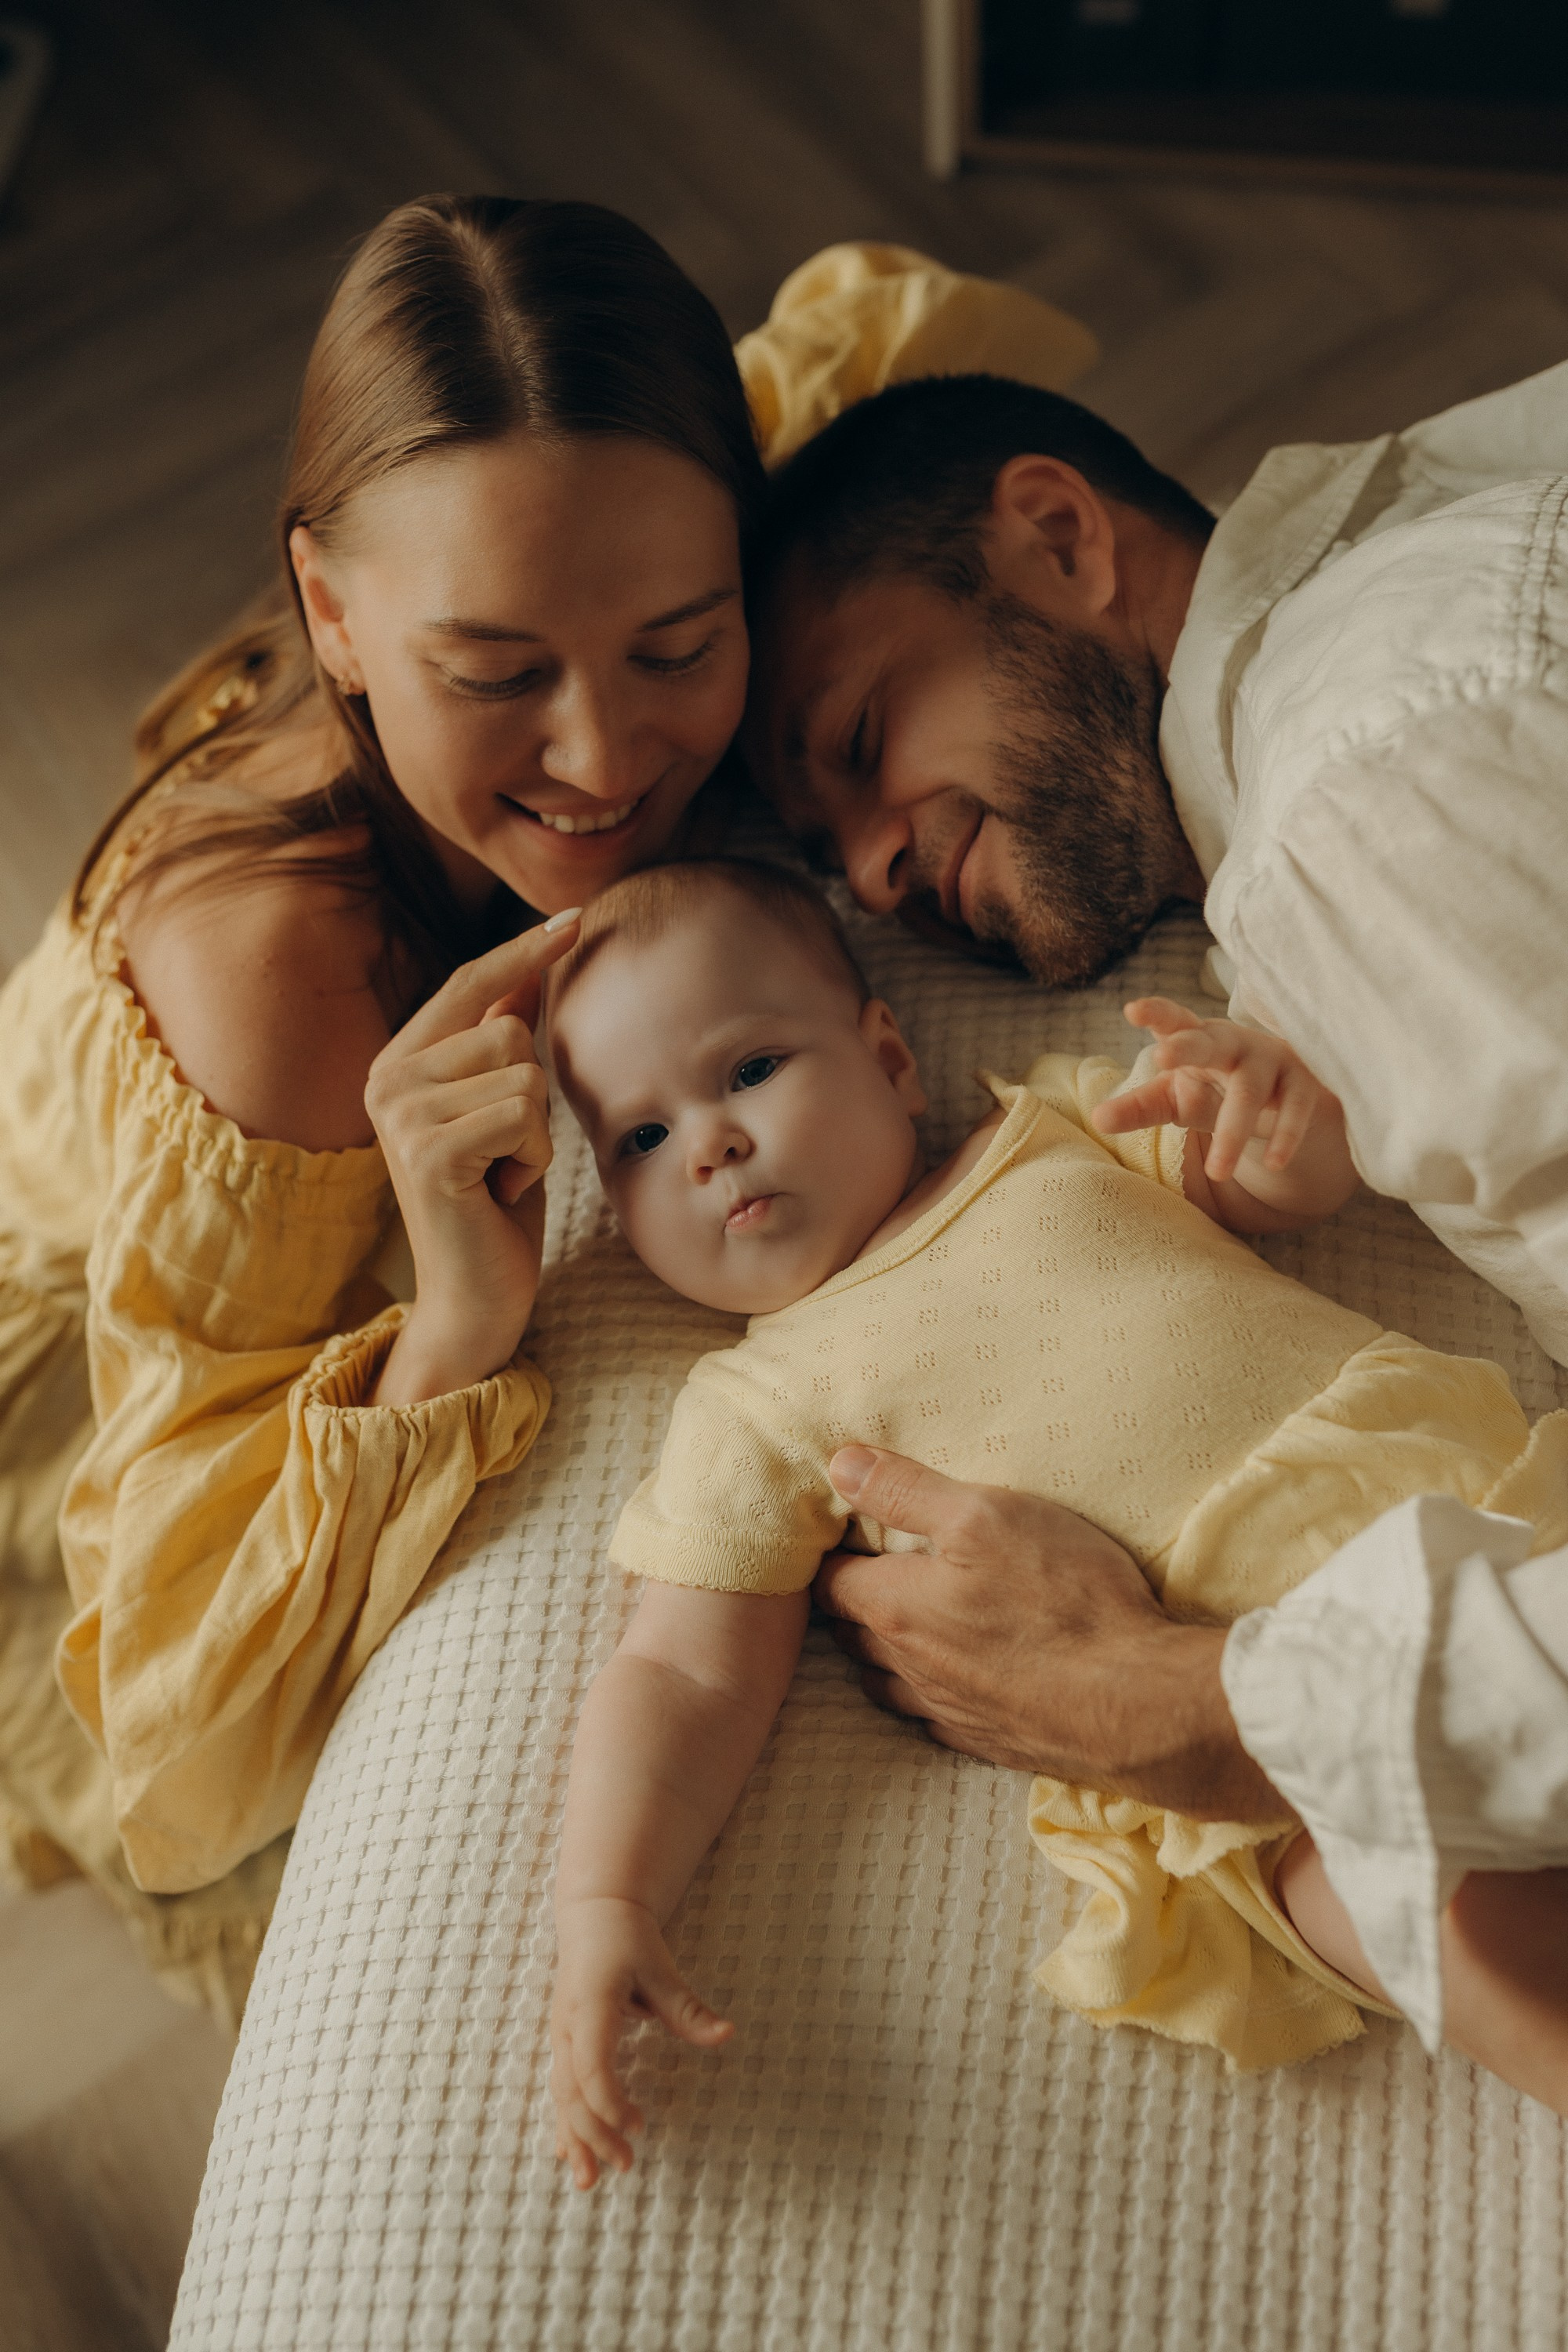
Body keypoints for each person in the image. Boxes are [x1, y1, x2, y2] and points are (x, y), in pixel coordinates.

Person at [0, 210, 1094, 2016]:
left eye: (678, 647)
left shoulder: (645, 490)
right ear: (333, 617)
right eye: (497, 677)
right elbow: (178, 1712)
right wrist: (452, 1326)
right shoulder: (281, 981)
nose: (602, 762)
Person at [744, 360, 1568, 2054]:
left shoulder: (1359, 799)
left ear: (1059, 535)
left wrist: (1185, 1702)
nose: (876, 878)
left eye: (863, 739)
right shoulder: (1437, 544)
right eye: (834, 861)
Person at [541, 858, 1568, 2187]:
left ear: (890, 1058)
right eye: (639, 1141)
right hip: (1230, 1735)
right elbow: (683, 1675)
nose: (709, 1145)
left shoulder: (1048, 1129)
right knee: (1411, 1902)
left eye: (747, 1072)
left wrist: (1273, 1123)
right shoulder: (755, 1404)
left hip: (1459, 1499)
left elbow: (1270, 1185)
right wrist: (607, 1899)